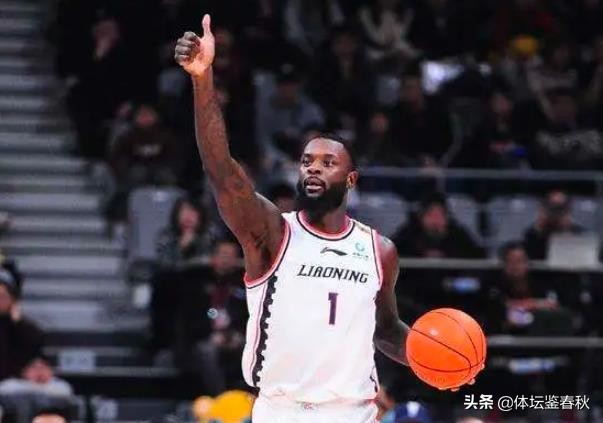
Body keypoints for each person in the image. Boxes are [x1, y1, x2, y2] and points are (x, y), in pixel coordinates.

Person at [174, 16, 481, 422]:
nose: (314, 168)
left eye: (328, 162)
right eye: (307, 162)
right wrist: (202, 79)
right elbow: (221, 170)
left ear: (350, 179)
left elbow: (386, 330)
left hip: (355, 412)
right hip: (283, 411)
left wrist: (441, 360)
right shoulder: (273, 232)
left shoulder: (379, 250)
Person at [392, 192, 485, 259]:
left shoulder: (456, 232)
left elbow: (477, 255)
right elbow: (393, 253)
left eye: (440, 215)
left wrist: (446, 255)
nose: (435, 220)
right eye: (430, 215)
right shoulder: (410, 231)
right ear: (421, 217)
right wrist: (421, 255)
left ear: (447, 217)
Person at [0, 269, 45, 382]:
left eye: (2, 297)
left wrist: (18, 323)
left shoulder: (25, 329)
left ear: (12, 300)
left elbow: (33, 355)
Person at [522, 190, 584, 260]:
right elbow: (531, 259)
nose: (556, 213)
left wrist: (567, 230)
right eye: (552, 208)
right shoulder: (532, 234)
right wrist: (539, 228)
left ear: (568, 210)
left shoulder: (580, 234)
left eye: (560, 208)